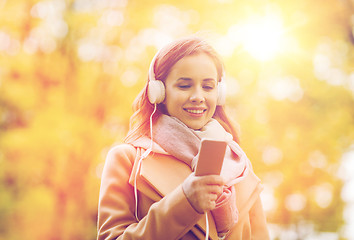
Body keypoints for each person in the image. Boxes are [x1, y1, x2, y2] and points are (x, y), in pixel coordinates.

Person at [97, 36, 270, 240]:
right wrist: (184, 202)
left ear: (219, 93)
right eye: (184, 86)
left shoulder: (239, 164)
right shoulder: (127, 159)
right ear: (159, 93)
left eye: (208, 87)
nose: (198, 96)